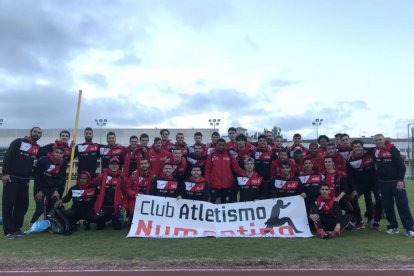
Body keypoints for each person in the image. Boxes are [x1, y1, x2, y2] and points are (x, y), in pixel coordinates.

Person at [2, 127, 42, 239]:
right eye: (35, 132)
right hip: (12, 178)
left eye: (39, 133)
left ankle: (16, 228)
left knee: (23, 205)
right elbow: (7, 157)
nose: (37, 134)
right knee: (8, 204)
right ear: (31, 132)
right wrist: (5, 173)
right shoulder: (19, 142)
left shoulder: (36, 148)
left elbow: (50, 150)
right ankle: (9, 231)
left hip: (25, 180)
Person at [373, 134, 414, 237]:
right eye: (376, 140)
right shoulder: (374, 151)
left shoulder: (392, 149)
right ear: (374, 141)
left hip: (396, 182)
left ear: (384, 140)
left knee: (402, 204)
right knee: (388, 206)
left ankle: (409, 228)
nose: (378, 141)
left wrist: (400, 180)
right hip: (383, 183)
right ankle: (393, 227)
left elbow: (402, 166)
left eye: (380, 139)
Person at [347, 140, 381, 230]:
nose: (357, 148)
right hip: (361, 184)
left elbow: (377, 148)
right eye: (355, 147)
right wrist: (353, 189)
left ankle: (375, 222)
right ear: (352, 148)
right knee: (352, 198)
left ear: (362, 147)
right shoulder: (350, 159)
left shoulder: (370, 152)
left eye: (359, 146)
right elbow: (350, 175)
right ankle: (359, 221)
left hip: (374, 182)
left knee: (379, 199)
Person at [30, 146, 68, 225]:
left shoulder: (63, 163)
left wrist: (56, 191)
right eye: (57, 152)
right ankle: (32, 223)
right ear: (53, 152)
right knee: (40, 209)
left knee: (53, 207)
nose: (58, 154)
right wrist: (39, 190)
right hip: (40, 187)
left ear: (63, 155)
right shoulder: (44, 159)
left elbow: (61, 178)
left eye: (61, 153)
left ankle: (49, 224)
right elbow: (37, 176)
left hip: (52, 189)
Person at [205, 138, 244, 203]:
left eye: (222, 145)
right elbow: (207, 170)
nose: (221, 146)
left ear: (225, 145)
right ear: (216, 145)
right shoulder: (211, 155)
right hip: (214, 185)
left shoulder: (229, 155)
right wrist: (207, 182)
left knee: (225, 203)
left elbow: (236, 168)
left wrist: (245, 174)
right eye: (219, 145)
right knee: (213, 203)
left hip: (227, 184)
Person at [93, 157, 127, 230]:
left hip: (115, 206)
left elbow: (125, 194)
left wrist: (124, 206)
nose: (114, 166)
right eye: (112, 164)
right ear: (109, 165)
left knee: (118, 227)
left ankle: (114, 219)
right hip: (104, 206)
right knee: (100, 227)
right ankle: (105, 219)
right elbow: (93, 184)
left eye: (116, 164)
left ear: (118, 166)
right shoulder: (102, 175)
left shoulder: (122, 177)